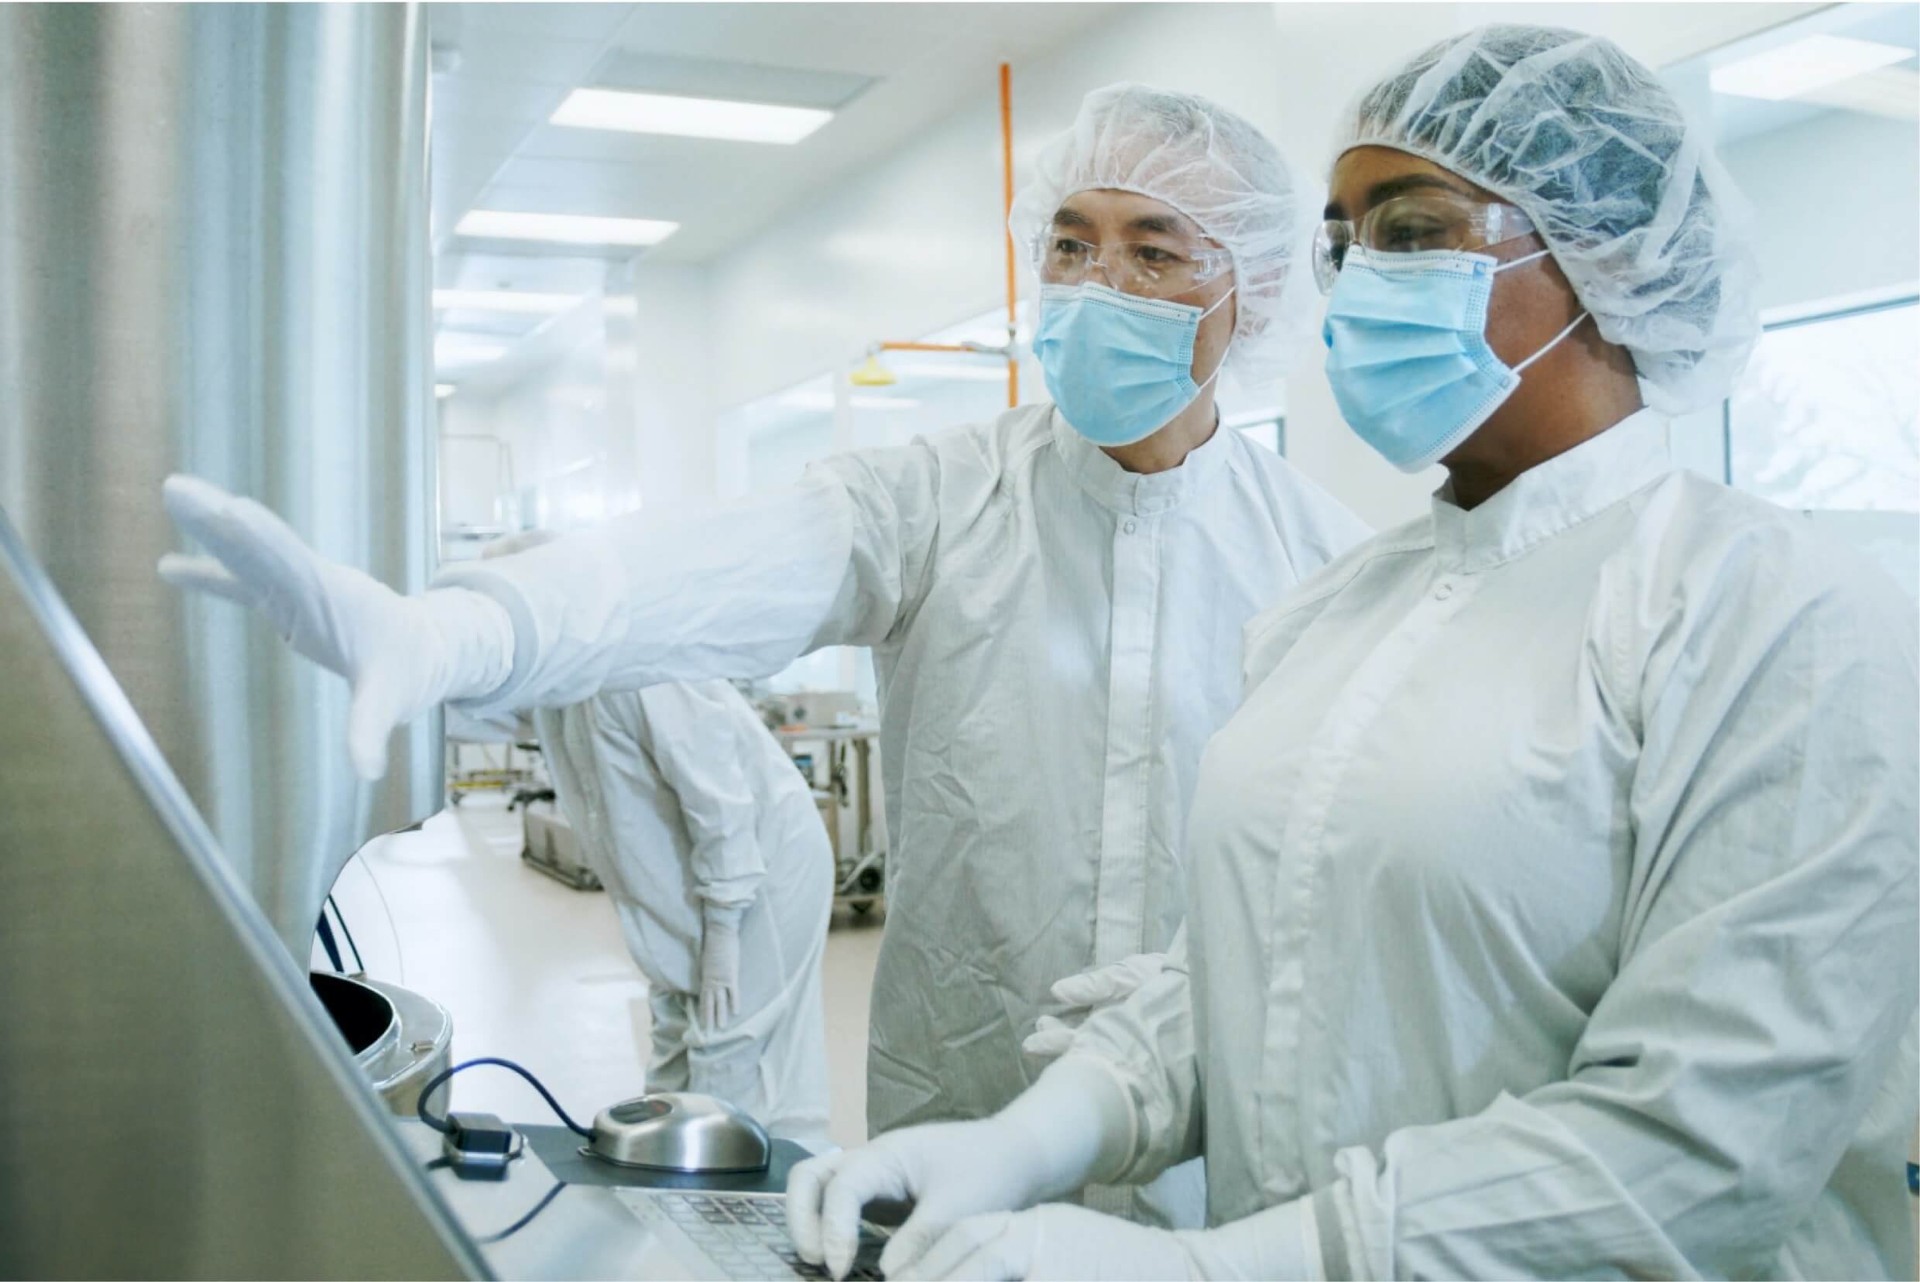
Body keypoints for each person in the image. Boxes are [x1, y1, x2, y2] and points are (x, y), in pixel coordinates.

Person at [785, 25, 1919, 1281]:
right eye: (1342, 240)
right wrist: (1026, 1138)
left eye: (1414, 230)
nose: (1360, 276)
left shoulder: (1773, 614)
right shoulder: (1342, 606)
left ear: (1604, 256)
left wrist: (1232, 1264)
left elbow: (1705, 1144)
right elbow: (1242, 966)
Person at [157, 84, 1370, 1226]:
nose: (1097, 284)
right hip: (956, 1124)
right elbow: (712, 564)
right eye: (1069, 244)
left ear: (1254, 292)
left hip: (1207, 1174)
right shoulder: (946, 497)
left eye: (1153, 251)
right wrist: (465, 629)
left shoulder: (1327, 567)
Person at [490, 531, 834, 1150]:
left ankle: (761, 1213)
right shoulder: (560, 680)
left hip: (760, 872)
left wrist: (726, 925)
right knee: (677, 1041)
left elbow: (719, 798)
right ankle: (674, 1197)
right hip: (693, 888)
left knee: (734, 1059)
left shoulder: (639, 663)